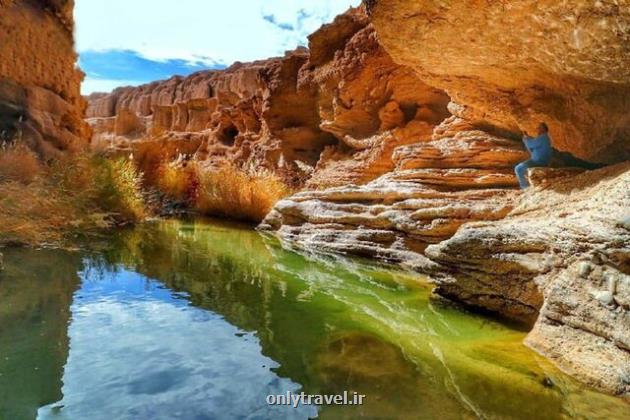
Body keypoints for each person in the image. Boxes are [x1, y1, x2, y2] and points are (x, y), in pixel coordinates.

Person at [515, 122, 553, 188]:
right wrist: (528, 138)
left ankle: (525, 188)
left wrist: (525, 138)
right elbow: (532, 145)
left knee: (518, 168)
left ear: (544, 129)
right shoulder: (544, 138)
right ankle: (528, 186)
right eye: (538, 128)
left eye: (540, 128)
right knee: (523, 170)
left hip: (538, 162)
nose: (537, 129)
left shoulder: (543, 137)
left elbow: (530, 144)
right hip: (540, 161)